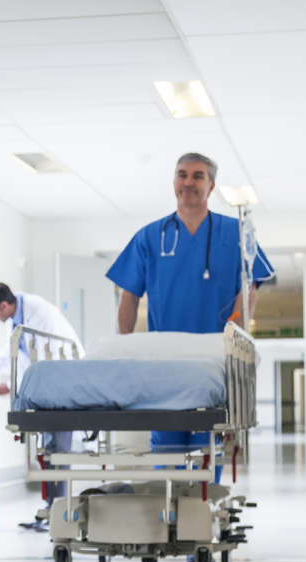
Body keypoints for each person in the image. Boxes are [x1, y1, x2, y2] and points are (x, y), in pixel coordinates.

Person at [106, 152, 273, 478]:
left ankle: (202, 516)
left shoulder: (236, 232)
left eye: (198, 176)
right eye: (182, 174)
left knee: (207, 449)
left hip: (212, 360)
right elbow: (128, 299)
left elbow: (251, 286)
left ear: (211, 186)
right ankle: (169, 520)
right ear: (173, 183)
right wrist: (123, 351)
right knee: (166, 454)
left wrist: (236, 331)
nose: (188, 182)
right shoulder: (150, 237)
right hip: (164, 363)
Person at [0, 282, 83, 531]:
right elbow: (14, 349)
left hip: (62, 386)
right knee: (47, 452)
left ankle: (60, 512)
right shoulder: (16, 316)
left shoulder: (41, 314)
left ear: (3, 305)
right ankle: (49, 510)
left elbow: (46, 363)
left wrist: (9, 388)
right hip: (45, 392)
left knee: (58, 452)